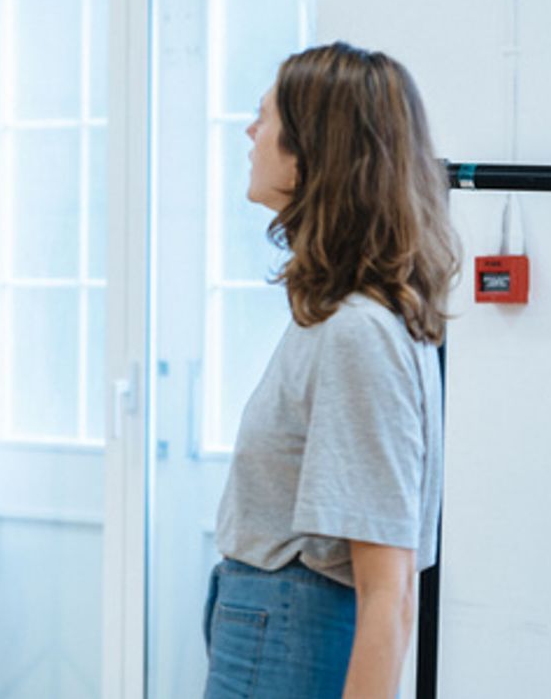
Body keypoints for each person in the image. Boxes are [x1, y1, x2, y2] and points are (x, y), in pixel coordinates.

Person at [203, 42, 458, 698]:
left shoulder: (357, 332)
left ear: (314, 151)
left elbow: (390, 594)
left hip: (286, 631)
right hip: (272, 622)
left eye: (265, 117)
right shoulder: (342, 317)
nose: (250, 132)